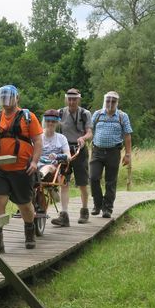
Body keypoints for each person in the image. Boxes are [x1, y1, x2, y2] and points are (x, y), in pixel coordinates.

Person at [0, 85, 43, 251]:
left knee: (25, 204)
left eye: (9, 97)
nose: (6, 100)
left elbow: (38, 141)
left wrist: (35, 162)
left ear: (17, 98)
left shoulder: (28, 117)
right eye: (3, 97)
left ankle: (29, 230)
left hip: (22, 169)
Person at [90, 91, 133, 218]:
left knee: (110, 181)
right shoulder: (97, 114)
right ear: (104, 101)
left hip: (113, 152)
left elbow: (127, 135)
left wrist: (128, 154)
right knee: (93, 177)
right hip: (97, 151)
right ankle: (97, 204)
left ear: (117, 102)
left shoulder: (122, 116)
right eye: (108, 100)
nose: (110, 103)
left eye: (113, 101)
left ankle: (107, 208)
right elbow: (90, 130)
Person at [53, 88, 93, 226]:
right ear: (66, 99)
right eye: (69, 99)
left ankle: (84, 210)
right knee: (63, 182)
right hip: (64, 150)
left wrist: (83, 138)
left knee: (82, 183)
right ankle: (64, 215)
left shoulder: (85, 113)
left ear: (78, 99)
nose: (71, 102)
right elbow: (53, 129)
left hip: (79, 150)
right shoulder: (60, 113)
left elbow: (89, 133)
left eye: (74, 99)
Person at [38, 109, 72, 220]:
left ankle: (40, 177)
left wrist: (58, 156)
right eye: (48, 121)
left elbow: (68, 156)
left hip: (52, 167)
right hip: (37, 162)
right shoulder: (38, 136)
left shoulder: (61, 138)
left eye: (53, 121)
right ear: (45, 121)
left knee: (48, 168)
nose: (50, 123)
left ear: (57, 122)